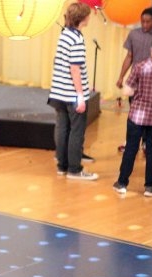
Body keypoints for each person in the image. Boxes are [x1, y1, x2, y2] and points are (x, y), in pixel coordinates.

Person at [113, 35, 152, 197]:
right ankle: (150, 186)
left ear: (151, 49)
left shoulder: (140, 66)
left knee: (131, 148)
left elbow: (127, 91)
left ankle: (121, 183)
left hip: (137, 116)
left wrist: (139, 90)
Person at [47, 2, 97, 181]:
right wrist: (80, 95)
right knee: (76, 131)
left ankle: (62, 165)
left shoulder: (64, 34)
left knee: (62, 129)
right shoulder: (76, 39)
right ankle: (74, 169)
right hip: (71, 94)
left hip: (58, 92)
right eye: (88, 15)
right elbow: (75, 69)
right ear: (83, 18)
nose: (89, 18)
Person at [116, 7, 152, 153]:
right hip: (137, 82)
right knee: (134, 114)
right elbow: (129, 57)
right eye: (142, 21)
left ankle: (147, 143)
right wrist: (121, 76)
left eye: (148, 22)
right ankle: (131, 142)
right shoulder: (134, 34)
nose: (144, 24)